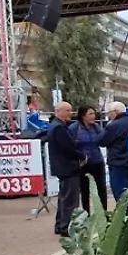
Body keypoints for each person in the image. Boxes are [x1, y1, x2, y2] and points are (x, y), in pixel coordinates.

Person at [47, 101, 85, 237]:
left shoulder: (56, 126)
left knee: (64, 197)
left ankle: (60, 224)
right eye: (68, 111)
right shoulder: (59, 128)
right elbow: (68, 148)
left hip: (63, 167)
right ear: (60, 111)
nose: (71, 113)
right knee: (70, 200)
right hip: (68, 167)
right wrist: (82, 156)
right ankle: (66, 227)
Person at [70, 105, 108, 213]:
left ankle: (103, 213)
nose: (93, 116)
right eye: (90, 114)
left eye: (94, 113)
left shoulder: (96, 127)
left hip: (97, 161)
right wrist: (80, 156)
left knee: (101, 188)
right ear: (83, 116)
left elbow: (103, 141)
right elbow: (70, 145)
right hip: (83, 164)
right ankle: (86, 214)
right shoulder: (74, 128)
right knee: (85, 190)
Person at [99, 101, 128, 203]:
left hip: (117, 163)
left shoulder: (113, 125)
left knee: (120, 193)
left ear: (115, 112)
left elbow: (102, 141)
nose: (109, 115)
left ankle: (124, 216)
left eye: (109, 113)